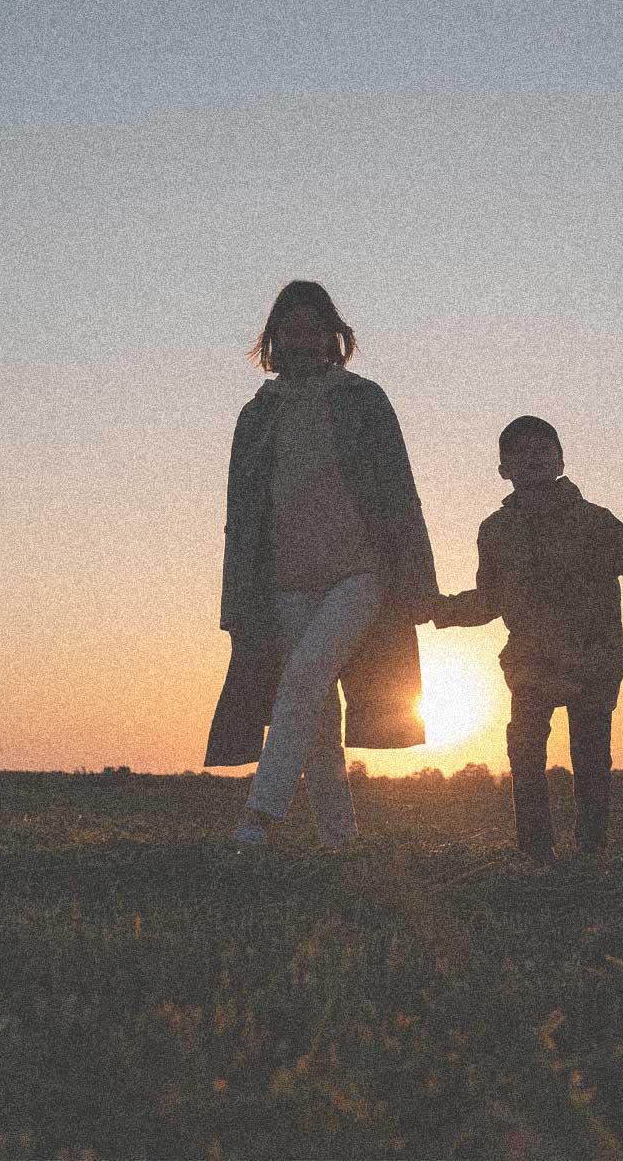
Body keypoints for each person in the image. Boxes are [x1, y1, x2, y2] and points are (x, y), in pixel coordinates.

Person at [204, 280, 440, 849]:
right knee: (316, 717)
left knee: (302, 678)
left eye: (314, 330)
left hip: (359, 575)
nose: (303, 341)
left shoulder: (364, 399)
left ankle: (258, 819)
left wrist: (417, 583)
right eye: (291, 331)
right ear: (275, 339)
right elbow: (241, 513)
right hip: (285, 584)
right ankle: (340, 841)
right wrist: (237, 598)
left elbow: (398, 492)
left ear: (332, 336)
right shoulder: (256, 415)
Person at [433, 415, 623, 861]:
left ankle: (591, 854)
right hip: (529, 664)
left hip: (593, 661)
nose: (532, 459)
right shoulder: (495, 531)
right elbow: (489, 601)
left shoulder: (593, 523)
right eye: (519, 454)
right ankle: (535, 856)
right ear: (503, 470)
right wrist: (436, 608)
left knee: (590, 761)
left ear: (560, 459)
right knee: (525, 754)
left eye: (542, 450)